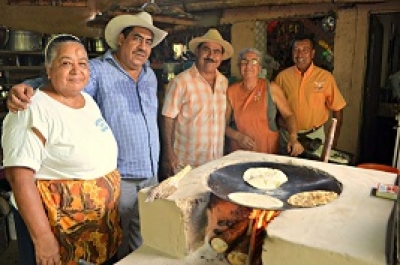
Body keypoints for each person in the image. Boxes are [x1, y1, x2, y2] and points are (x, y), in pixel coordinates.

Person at [5, 12, 167, 259]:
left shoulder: (147, 77)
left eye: (148, 41)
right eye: (137, 39)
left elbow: (72, 93)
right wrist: (23, 89)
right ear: (121, 39)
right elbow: (58, 88)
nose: (142, 47)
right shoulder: (99, 72)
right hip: (102, 196)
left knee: (140, 240)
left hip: (146, 176)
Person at [2, 34, 121, 265]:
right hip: (59, 233)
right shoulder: (31, 108)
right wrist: (43, 238)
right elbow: (19, 178)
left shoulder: (88, 101)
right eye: (66, 63)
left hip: (96, 230)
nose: (76, 70)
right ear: (48, 69)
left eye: (82, 63)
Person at [161, 29, 233, 176]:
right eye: (206, 50)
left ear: (222, 56)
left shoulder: (223, 83)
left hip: (214, 163)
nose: (211, 56)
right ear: (198, 52)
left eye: (216, 52)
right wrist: (168, 154)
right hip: (186, 164)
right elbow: (168, 117)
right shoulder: (181, 82)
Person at [275, 34, 346, 155]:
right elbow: (274, 109)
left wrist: (333, 141)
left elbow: (338, 110)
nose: (300, 55)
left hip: (315, 137)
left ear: (312, 53)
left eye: (305, 50)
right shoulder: (282, 77)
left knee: (315, 171)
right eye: (296, 50)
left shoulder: (325, 77)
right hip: (287, 136)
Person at [225, 47, 303, 156]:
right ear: (239, 67)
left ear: (259, 68)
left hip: (267, 152)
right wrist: (237, 136)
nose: (248, 66)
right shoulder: (231, 91)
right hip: (239, 154)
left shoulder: (271, 88)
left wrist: (293, 138)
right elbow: (223, 125)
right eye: (244, 62)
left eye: (254, 62)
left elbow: (289, 115)